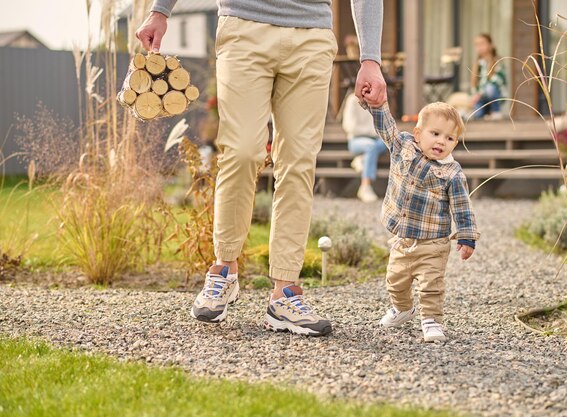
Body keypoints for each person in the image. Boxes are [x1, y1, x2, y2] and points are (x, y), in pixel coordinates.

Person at [136, 0, 387, 337]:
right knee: (241, 151)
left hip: (311, 34)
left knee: (298, 162)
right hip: (244, 25)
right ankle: (224, 268)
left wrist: (370, 57)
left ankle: (285, 292)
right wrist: (160, 10)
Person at [360, 92, 480, 342]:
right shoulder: (403, 147)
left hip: (433, 243)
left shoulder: (451, 173)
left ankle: (431, 320)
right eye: (435, 134)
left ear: (455, 143)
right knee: (395, 281)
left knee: (431, 285)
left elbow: (462, 206)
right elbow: (386, 127)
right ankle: (403, 308)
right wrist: (378, 105)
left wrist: (467, 237)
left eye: (449, 138)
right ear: (418, 134)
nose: (441, 142)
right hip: (402, 239)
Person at [342, 93, 387, 202]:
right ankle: (365, 186)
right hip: (356, 140)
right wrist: (372, 132)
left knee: (386, 142)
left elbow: (383, 125)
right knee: (370, 146)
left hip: (375, 140)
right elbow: (349, 126)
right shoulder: (352, 100)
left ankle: (362, 159)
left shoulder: (377, 101)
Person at [470, 33, 506, 120]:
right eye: (477, 45)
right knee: (477, 115)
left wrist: (480, 93)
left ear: (490, 45)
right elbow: (474, 85)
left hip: (495, 96)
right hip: (481, 98)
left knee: (490, 89)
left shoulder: (497, 61)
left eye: (482, 44)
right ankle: (484, 113)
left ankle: (496, 111)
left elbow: (497, 81)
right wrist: (474, 95)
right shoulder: (477, 64)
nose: (479, 47)